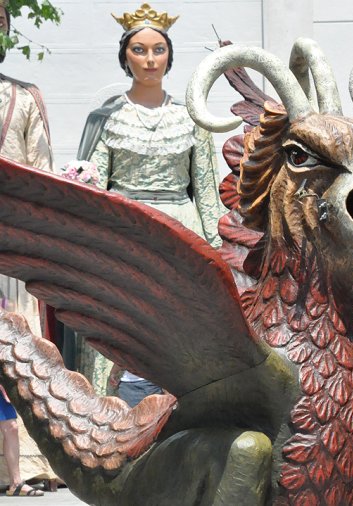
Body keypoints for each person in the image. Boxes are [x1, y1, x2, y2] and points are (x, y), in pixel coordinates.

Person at [74, 3, 226, 398]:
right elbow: (93, 187)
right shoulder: (105, 118)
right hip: (126, 230)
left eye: (158, 49)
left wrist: (220, 250)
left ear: (170, 55)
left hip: (181, 229)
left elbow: (207, 189)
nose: (150, 59)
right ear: (125, 56)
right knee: (120, 317)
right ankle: (108, 409)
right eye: (139, 49)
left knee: (181, 322)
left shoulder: (192, 118)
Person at [0, 3, 55, 496]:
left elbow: (41, 175)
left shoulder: (23, 96)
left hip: (10, 241)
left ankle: (30, 462)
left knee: (21, 342)